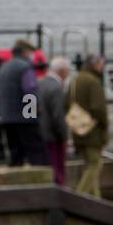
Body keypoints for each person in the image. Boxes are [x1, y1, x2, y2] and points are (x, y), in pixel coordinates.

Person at [0, 38, 47, 167]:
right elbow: (29, 91)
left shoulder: (3, 67)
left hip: (7, 118)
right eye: (31, 53)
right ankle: (42, 183)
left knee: (15, 155)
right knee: (38, 153)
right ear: (25, 52)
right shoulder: (25, 67)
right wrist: (33, 116)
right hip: (24, 119)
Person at [68, 54, 108, 197]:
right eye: (101, 63)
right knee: (95, 165)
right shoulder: (93, 82)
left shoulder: (75, 80)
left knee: (89, 164)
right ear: (95, 64)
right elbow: (99, 109)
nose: (102, 66)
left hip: (77, 129)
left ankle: (96, 200)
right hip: (93, 131)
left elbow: (66, 105)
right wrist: (104, 126)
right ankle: (80, 196)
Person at [37, 56, 70, 185]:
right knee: (57, 170)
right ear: (61, 71)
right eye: (67, 71)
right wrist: (65, 136)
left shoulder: (36, 83)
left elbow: (27, 111)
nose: (67, 75)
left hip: (38, 134)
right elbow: (58, 116)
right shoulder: (57, 88)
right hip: (53, 136)